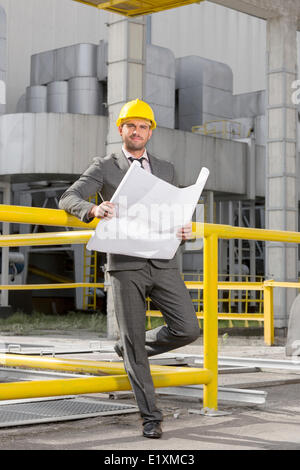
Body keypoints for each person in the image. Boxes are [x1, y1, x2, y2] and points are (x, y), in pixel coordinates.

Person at [59, 99, 200, 439]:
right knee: (135, 341)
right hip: (125, 265)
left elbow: (174, 212)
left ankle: (129, 347)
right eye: (130, 126)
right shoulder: (104, 166)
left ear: (150, 132)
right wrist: (93, 210)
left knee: (188, 329)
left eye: (143, 126)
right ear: (120, 130)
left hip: (164, 261)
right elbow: (68, 197)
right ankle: (151, 417)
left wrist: (185, 229)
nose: (137, 131)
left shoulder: (167, 169)